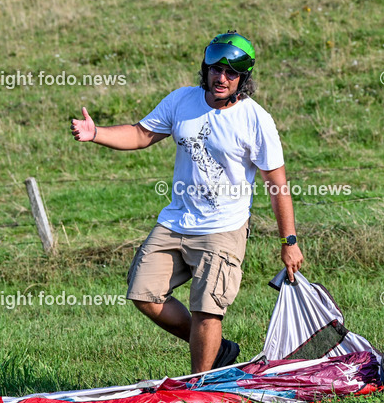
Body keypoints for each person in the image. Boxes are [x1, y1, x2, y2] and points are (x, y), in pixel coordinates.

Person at [70, 31, 302, 373]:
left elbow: (277, 185)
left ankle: (199, 384)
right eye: (215, 69)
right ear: (205, 69)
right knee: (143, 293)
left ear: (243, 79)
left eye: (231, 73)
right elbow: (141, 134)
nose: (221, 78)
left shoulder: (256, 120)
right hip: (176, 221)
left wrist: (289, 241)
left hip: (223, 228)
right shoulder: (182, 100)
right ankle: (218, 349)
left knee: (207, 310)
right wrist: (96, 133)